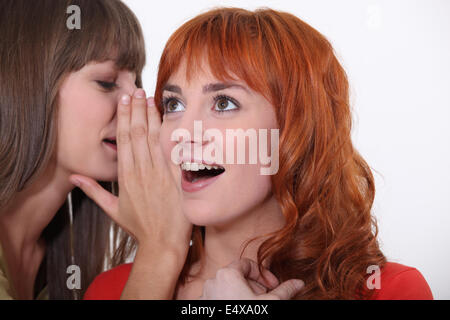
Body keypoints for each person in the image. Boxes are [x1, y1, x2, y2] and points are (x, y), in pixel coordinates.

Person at [83, 8, 433, 299]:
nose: (183, 133)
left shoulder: (388, 291)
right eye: (173, 104)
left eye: (223, 103)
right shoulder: (115, 290)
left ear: (295, 131)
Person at [0, 0, 149, 299]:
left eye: (136, 81)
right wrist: (160, 253)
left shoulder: (60, 263)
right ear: (28, 85)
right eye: (107, 82)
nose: (140, 104)